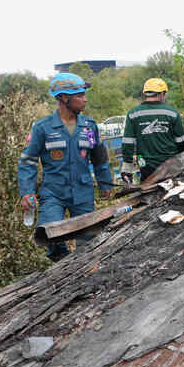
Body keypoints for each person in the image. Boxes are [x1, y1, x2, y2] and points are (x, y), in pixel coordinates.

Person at [19, 72, 114, 261]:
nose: (84, 100)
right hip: (53, 192)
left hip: (83, 191)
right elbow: (28, 161)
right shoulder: (42, 127)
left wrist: (105, 184)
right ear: (64, 98)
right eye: (79, 95)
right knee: (49, 232)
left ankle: (84, 271)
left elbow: (99, 158)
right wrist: (26, 192)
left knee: (89, 242)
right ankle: (61, 264)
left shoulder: (89, 127)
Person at [121, 78, 184, 182]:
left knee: (147, 190)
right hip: (169, 164)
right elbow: (181, 141)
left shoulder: (133, 114)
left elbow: (128, 143)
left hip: (145, 164)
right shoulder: (172, 113)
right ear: (161, 94)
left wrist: (127, 167)